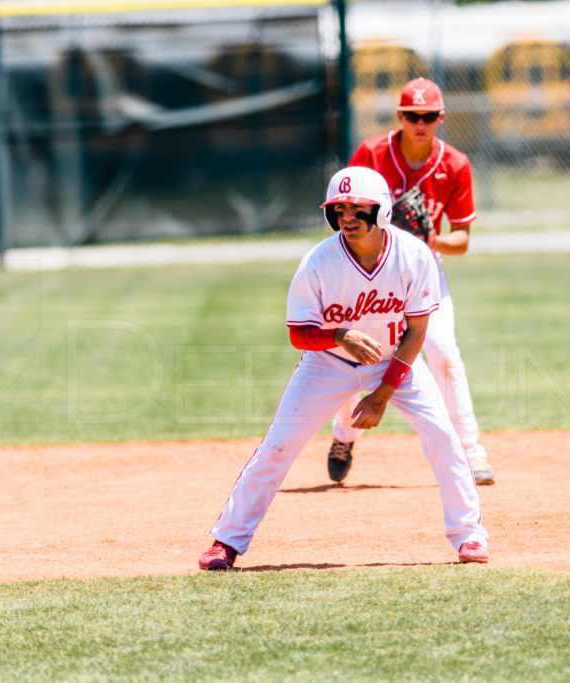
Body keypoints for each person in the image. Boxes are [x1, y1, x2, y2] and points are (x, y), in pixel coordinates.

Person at [198, 166, 489, 570]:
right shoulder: (318, 262)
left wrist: (382, 395)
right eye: (338, 209)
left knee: (442, 435)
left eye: (358, 208)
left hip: (395, 360)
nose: (347, 217)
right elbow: (299, 333)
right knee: (278, 446)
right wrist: (339, 336)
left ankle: (470, 536)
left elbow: (417, 331)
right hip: (327, 364)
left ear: (382, 211)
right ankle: (226, 541)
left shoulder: (413, 255)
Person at [326, 77, 496, 486]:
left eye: (429, 116)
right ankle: (343, 435)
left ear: (441, 118)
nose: (421, 123)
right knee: (359, 357)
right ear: (400, 116)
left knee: (444, 355)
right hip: (370, 268)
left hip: (422, 270)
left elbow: (462, 241)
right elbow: (345, 210)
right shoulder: (372, 153)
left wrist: (429, 237)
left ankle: (472, 452)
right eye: (413, 116)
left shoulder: (454, 164)